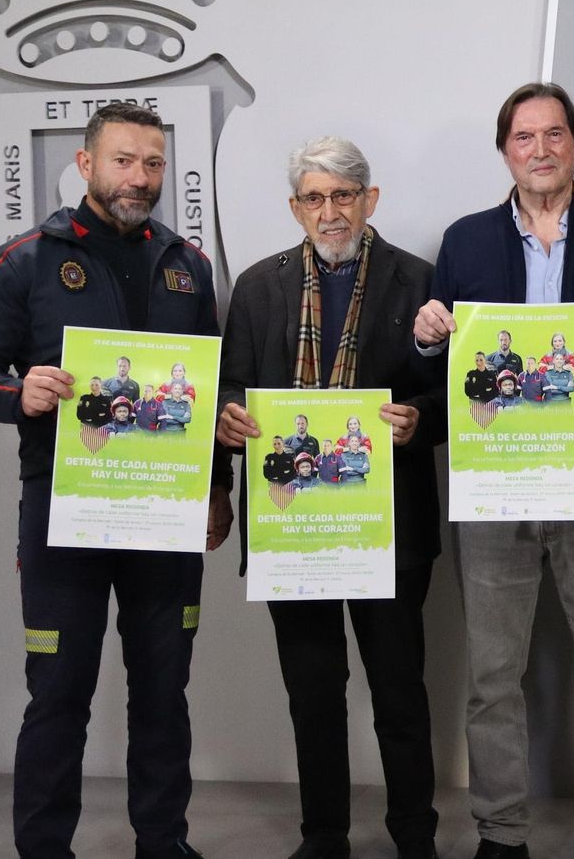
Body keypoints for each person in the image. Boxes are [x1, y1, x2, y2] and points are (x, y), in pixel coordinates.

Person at [0, 101, 230, 859]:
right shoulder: (25, 259)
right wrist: (21, 394)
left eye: (154, 163)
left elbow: (210, 391)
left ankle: (163, 843)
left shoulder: (187, 265)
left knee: (164, 695)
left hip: (165, 514)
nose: (140, 177)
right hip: (61, 514)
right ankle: (44, 849)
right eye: (125, 160)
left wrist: (217, 487)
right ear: (86, 164)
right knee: (59, 695)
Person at [410, 82, 574, 859]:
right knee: (493, 676)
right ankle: (500, 833)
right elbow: (442, 363)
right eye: (524, 137)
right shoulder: (463, 242)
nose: (540, 150)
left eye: (554, 134)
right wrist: (431, 334)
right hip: (494, 489)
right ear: (505, 152)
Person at [215, 135, 445, 859]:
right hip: (293, 527)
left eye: (344, 195)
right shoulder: (257, 287)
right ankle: (323, 837)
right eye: (315, 198)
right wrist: (227, 419)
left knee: (400, 693)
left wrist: (420, 421)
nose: (331, 211)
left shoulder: (420, 281)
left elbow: (452, 392)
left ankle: (415, 836)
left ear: (369, 200)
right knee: (314, 693)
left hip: (391, 526)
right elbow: (228, 385)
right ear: (295, 208)